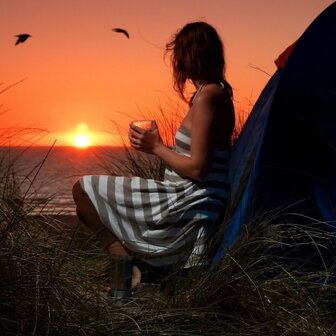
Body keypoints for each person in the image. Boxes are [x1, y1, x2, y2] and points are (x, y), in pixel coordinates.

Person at [72, 21, 235, 300]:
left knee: (83, 190)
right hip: (192, 197)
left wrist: (156, 147)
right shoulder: (215, 93)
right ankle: (125, 282)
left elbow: (198, 168)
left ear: (187, 56)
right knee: (90, 207)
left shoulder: (209, 96)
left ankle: (122, 262)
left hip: (186, 201)